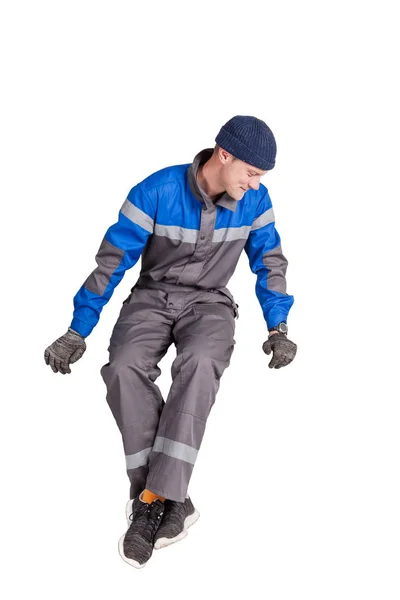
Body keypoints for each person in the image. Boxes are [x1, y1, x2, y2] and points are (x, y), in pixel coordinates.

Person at [44, 115, 297, 569]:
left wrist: (278, 327)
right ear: (225, 154)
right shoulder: (156, 191)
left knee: (200, 362)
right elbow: (112, 262)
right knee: (122, 367)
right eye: (252, 173)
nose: (256, 185)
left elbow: (270, 262)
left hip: (211, 305)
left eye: (262, 177)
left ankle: (149, 502)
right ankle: (170, 501)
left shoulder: (255, 203)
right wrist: (77, 329)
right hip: (151, 297)